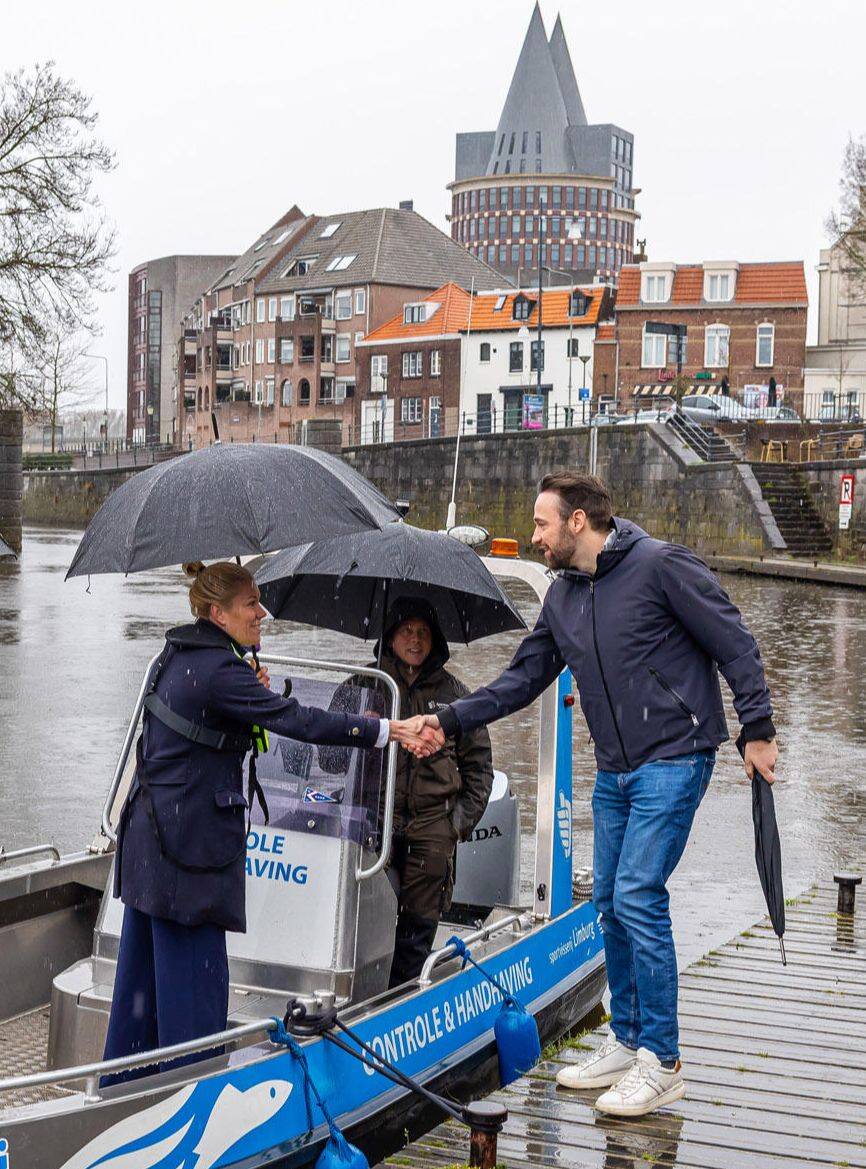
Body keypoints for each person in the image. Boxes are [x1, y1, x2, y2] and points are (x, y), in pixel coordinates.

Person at [418, 472, 778, 1118]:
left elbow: (735, 642)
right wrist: (447, 720)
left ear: (578, 521)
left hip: (676, 754)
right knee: (608, 901)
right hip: (615, 769)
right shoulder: (562, 596)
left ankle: (663, 1061)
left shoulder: (661, 566)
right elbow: (520, 680)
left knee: (638, 893)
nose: (535, 536)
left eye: (542, 523)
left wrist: (758, 729)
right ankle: (629, 1039)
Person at [103, 561, 427, 1083]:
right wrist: (387, 730)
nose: (262, 613)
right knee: (194, 1003)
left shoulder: (177, 653)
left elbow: (205, 729)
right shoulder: (220, 671)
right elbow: (299, 722)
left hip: (148, 845)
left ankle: (121, 1090)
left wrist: (249, 691)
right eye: (251, 603)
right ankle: (193, 1102)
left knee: (139, 998)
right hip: (188, 857)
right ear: (218, 613)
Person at [349, 600, 493, 986]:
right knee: (365, 926)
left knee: (416, 933)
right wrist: (358, 730)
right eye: (407, 631)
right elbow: (329, 762)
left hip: (432, 829)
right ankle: (363, 997)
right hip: (373, 822)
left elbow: (480, 772)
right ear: (390, 635)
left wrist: (455, 826)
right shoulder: (363, 685)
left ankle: (405, 998)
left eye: (424, 632)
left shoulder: (458, 697)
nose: (415, 640)